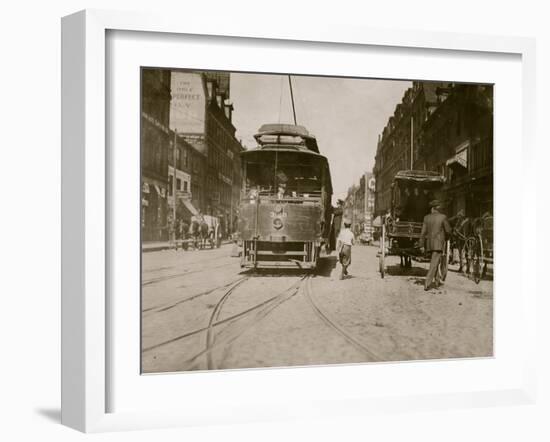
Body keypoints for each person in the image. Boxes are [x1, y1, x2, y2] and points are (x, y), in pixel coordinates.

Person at [420, 200, 452, 291]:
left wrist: (421, 245)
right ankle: (427, 283)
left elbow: (422, 233)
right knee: (434, 263)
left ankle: (437, 281)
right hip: (438, 244)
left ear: (432, 209)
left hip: (429, 244)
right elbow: (448, 231)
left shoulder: (426, 218)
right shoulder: (443, 217)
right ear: (437, 208)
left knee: (435, 261)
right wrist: (446, 238)